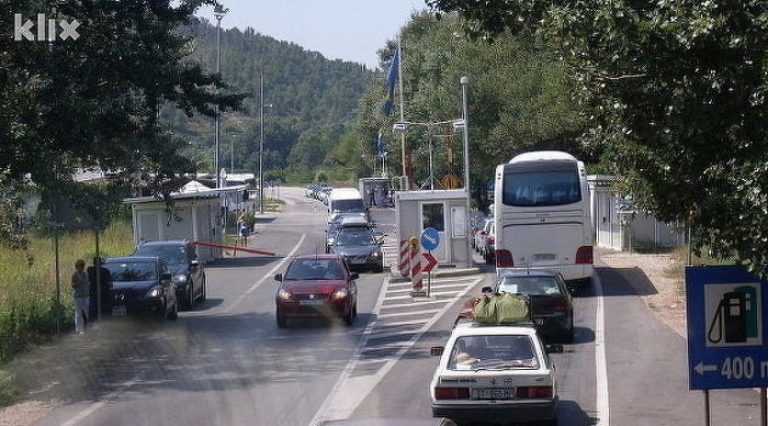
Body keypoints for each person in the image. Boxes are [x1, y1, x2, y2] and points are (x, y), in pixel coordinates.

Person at [87, 257, 113, 323]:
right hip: (102, 293)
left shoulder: (90, 270)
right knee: (102, 309)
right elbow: (110, 284)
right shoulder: (105, 271)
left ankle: (95, 323)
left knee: (94, 310)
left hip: (95, 292)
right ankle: (100, 322)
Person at [71, 259, 90, 335]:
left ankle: (88, 327)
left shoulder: (86, 274)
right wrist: (78, 283)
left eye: (82, 265)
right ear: (77, 267)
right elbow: (73, 285)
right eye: (80, 266)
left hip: (86, 295)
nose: (81, 267)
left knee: (87, 312)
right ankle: (79, 329)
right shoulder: (74, 275)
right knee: (78, 313)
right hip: (78, 296)